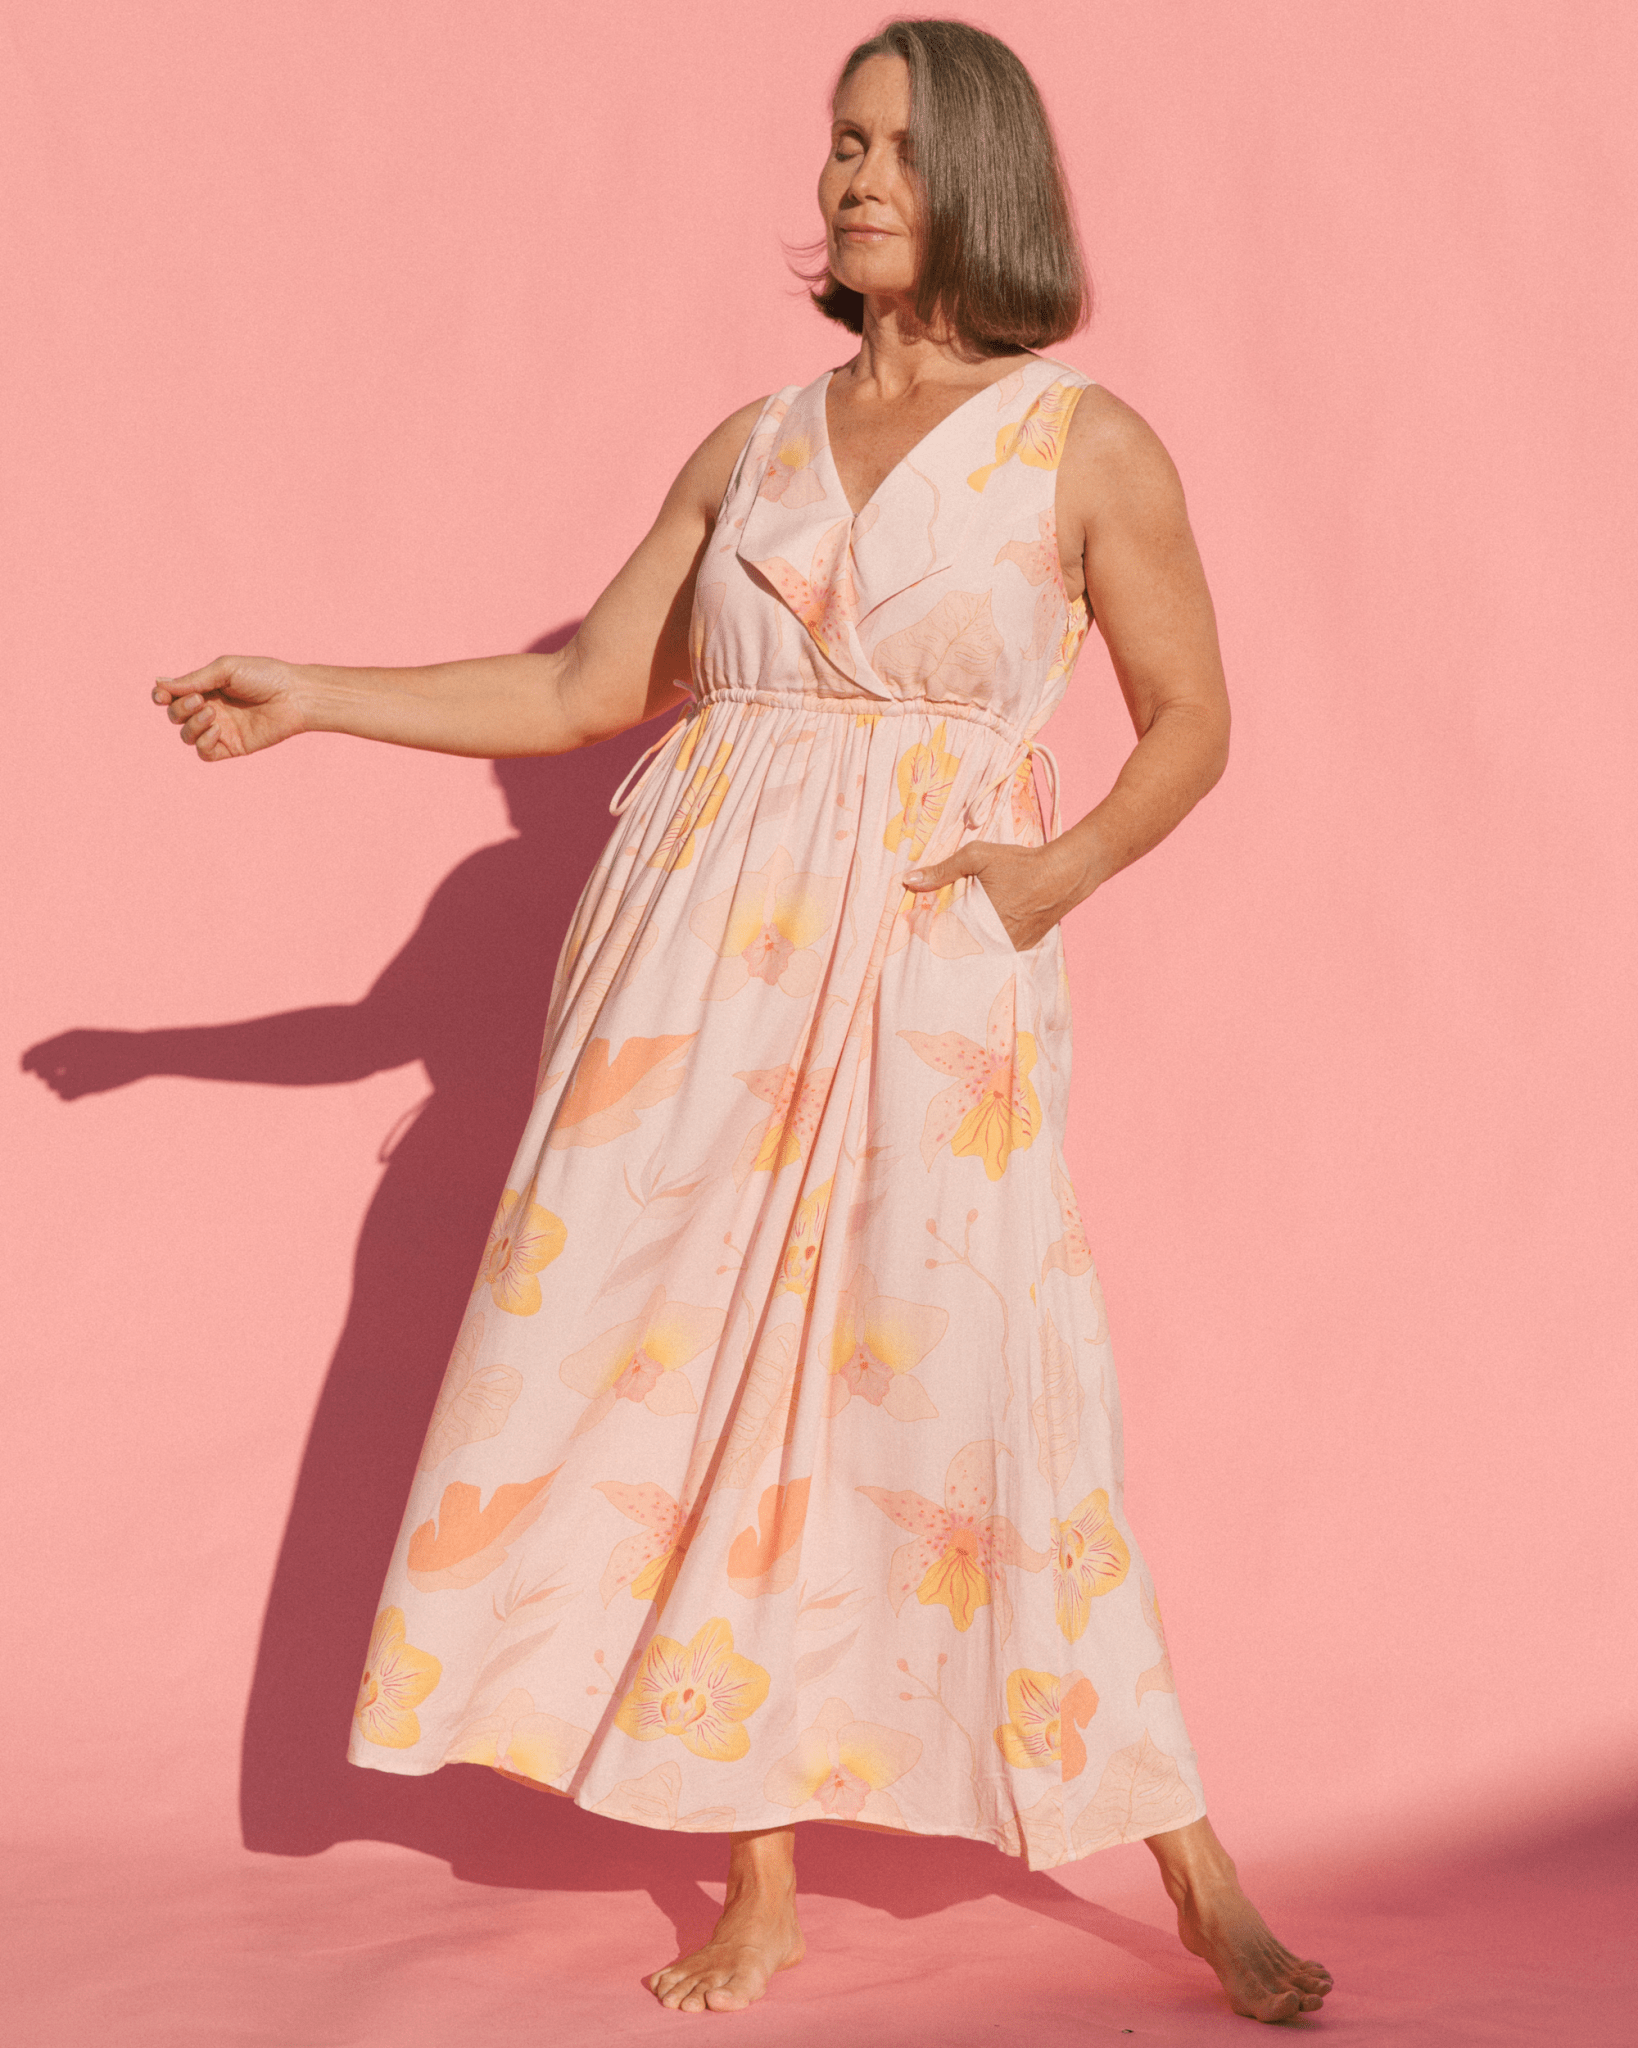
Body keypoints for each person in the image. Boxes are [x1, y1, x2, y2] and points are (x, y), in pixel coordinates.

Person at [151, 17, 1330, 2024]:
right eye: (837, 144)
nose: (849, 179)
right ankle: (757, 1876)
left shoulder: (1086, 443)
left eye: (890, 147)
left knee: (985, 1392)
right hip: (681, 981)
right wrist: (317, 689)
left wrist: (1051, 879)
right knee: (689, 1402)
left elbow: (1194, 714)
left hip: (928, 963)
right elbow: (583, 690)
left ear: (985, 179)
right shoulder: (752, 444)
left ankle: (1189, 1855)